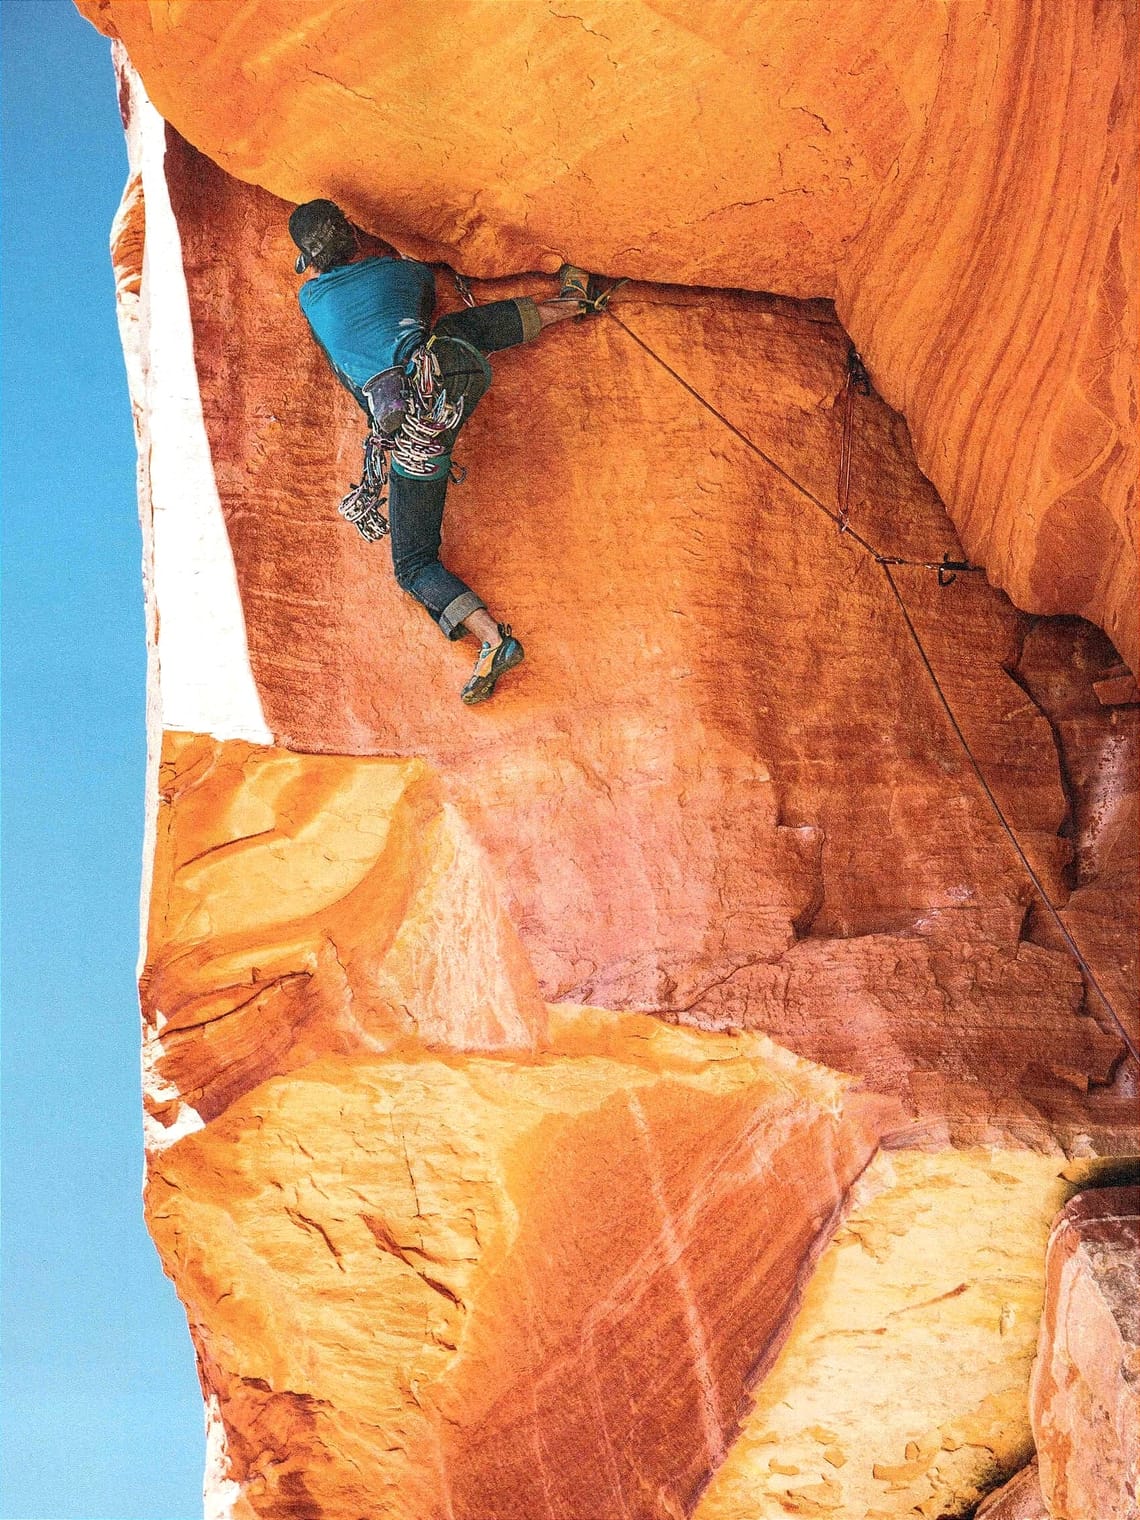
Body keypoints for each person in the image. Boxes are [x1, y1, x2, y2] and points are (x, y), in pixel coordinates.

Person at [289, 199, 605, 704]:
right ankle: (574, 302)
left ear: (310, 259)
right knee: (452, 332)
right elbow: (420, 299)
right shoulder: (405, 273)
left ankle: (493, 641)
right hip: (450, 375)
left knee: (413, 564)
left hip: (416, 440)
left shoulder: (311, 301)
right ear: (351, 234)